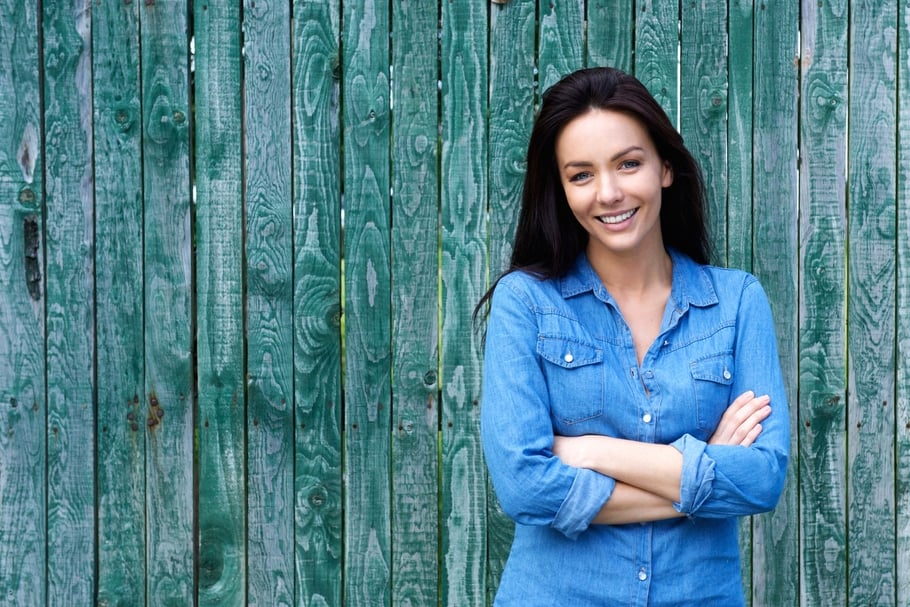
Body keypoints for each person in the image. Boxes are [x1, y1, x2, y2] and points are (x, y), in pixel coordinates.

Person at [477, 67, 789, 606]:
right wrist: (701, 472)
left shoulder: (737, 303)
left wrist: (593, 451)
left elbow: (761, 478)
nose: (609, 193)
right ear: (562, 188)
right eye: (581, 175)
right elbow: (524, 487)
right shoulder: (525, 302)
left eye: (628, 163)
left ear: (665, 167)